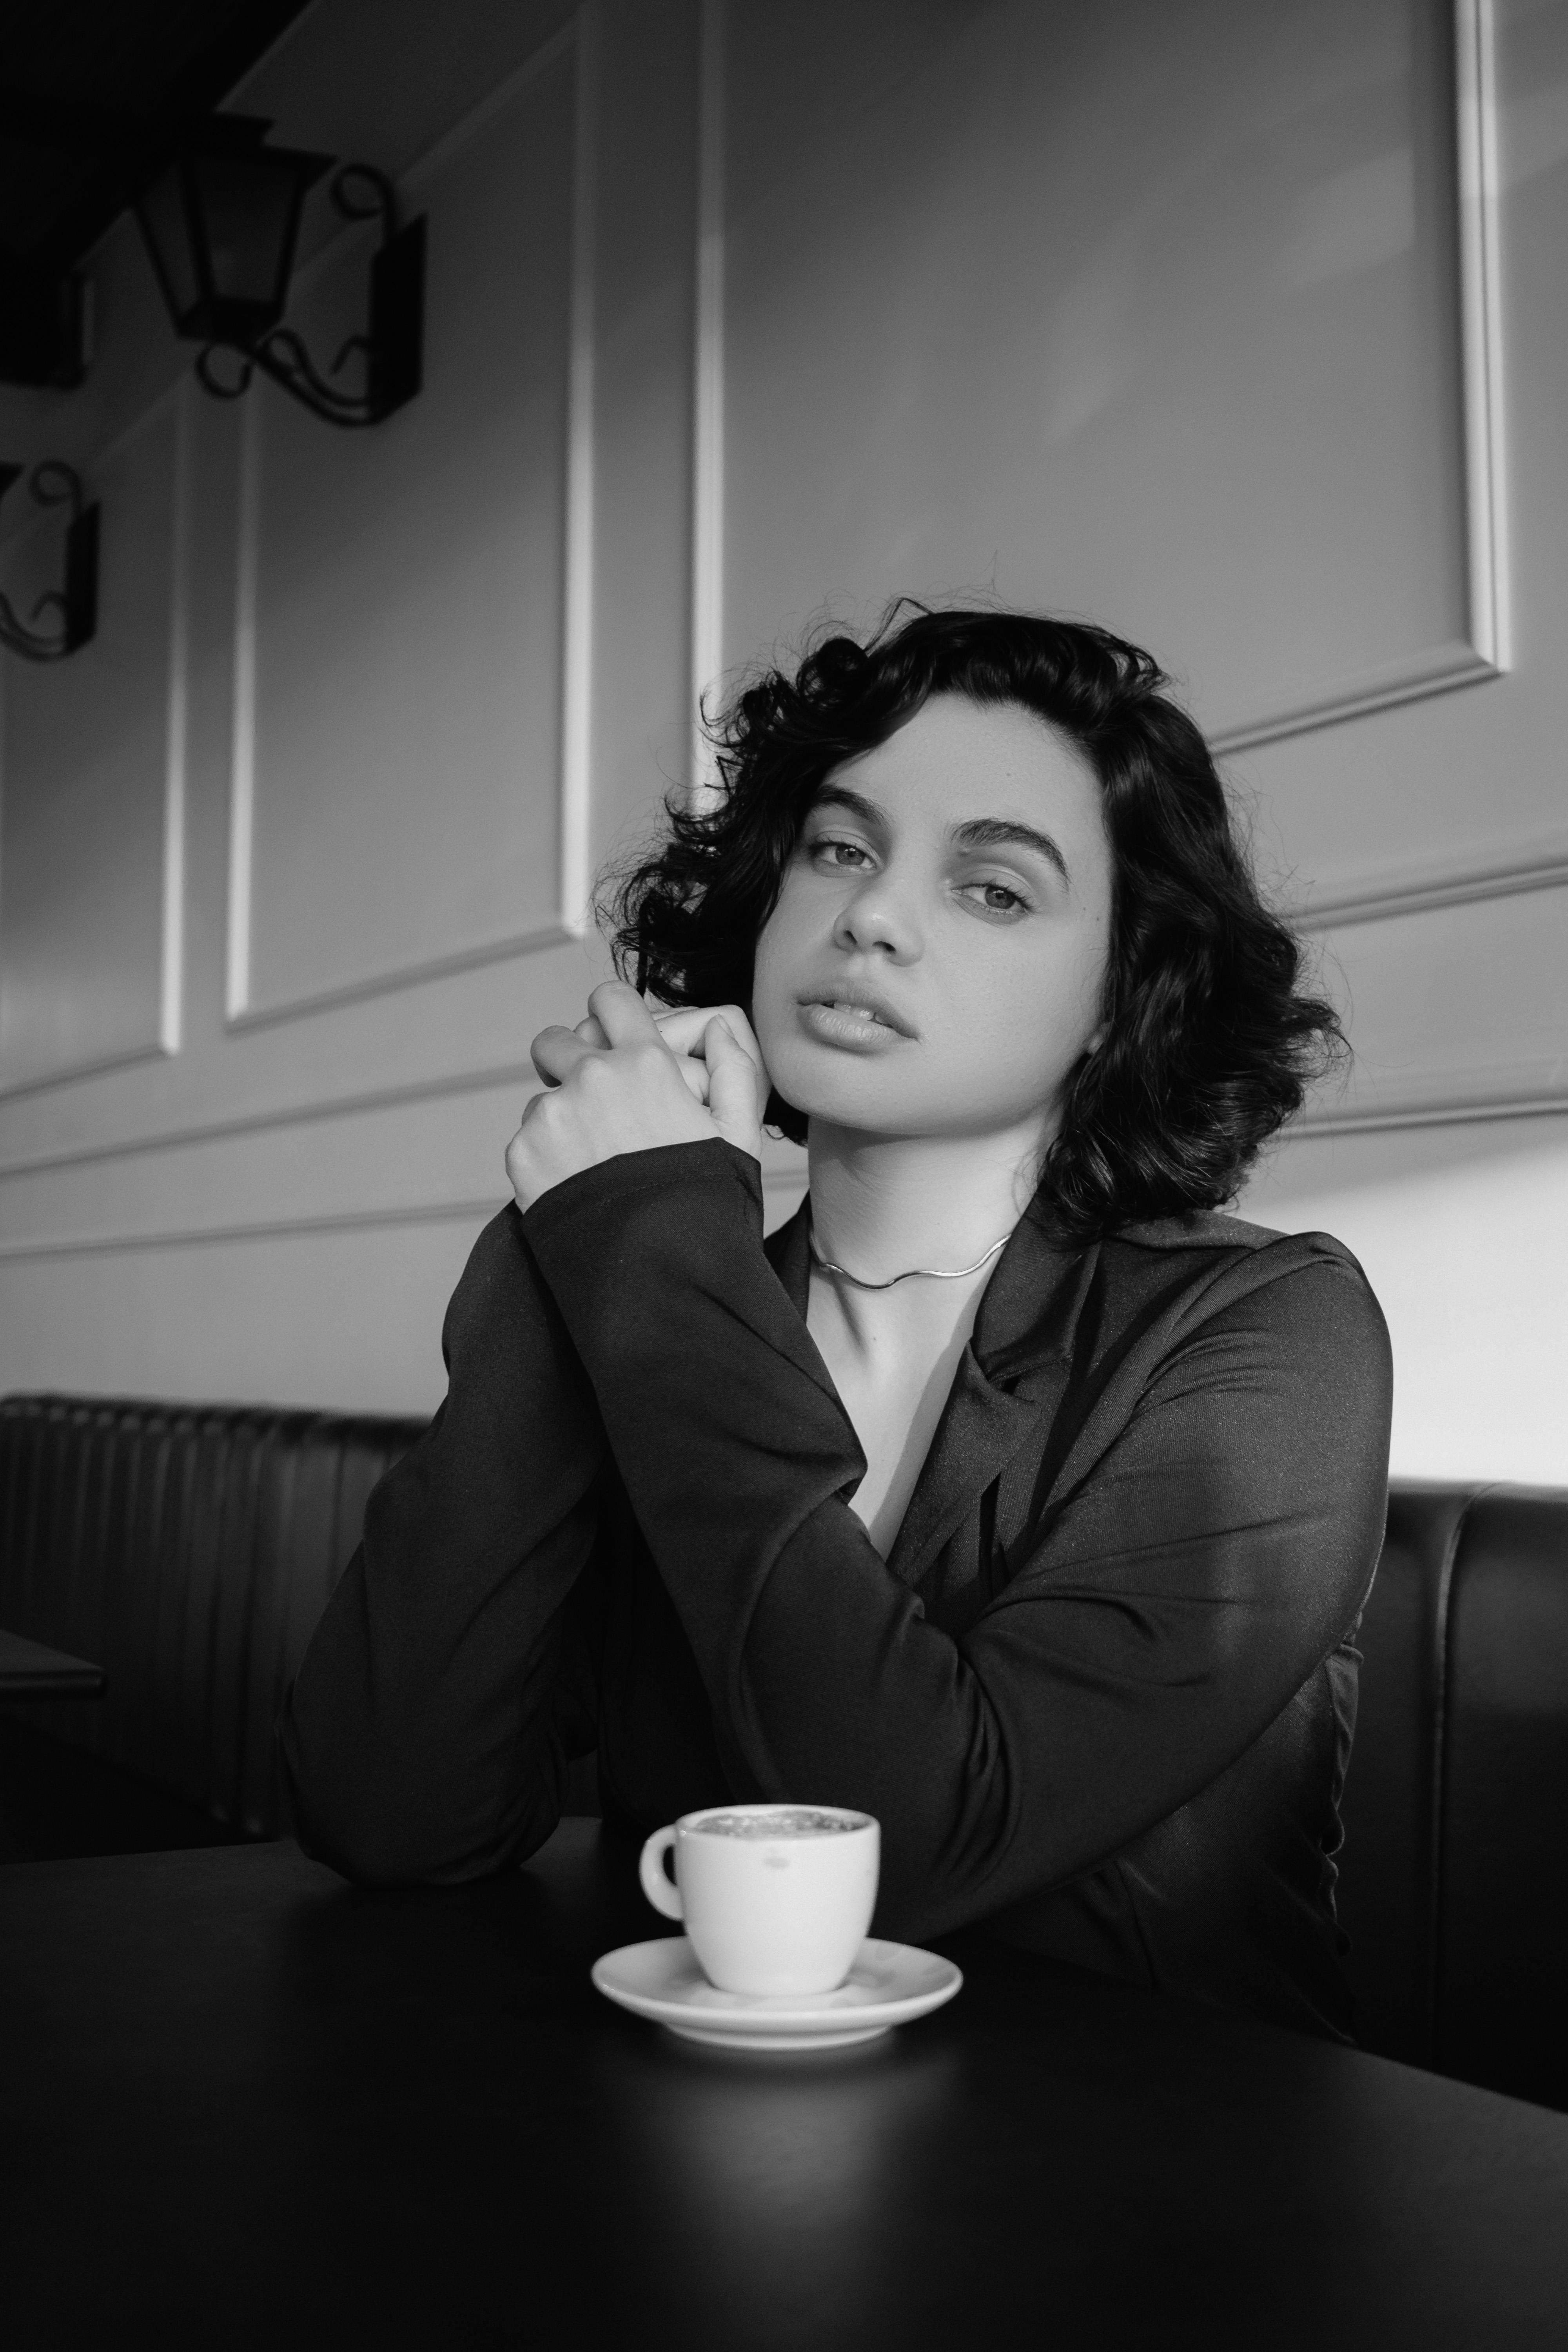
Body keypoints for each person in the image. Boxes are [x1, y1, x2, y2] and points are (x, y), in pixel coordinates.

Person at [279, 605, 1392, 2040]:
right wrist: (577, 1244)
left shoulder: (1267, 1335)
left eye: (993, 888)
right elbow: (390, 1807)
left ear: (1120, 1003)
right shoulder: (663, 1284)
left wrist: (649, 1248)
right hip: (694, 2168)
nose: (872, 914)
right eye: (839, 847)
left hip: (1162, 2197)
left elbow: (916, 1844)